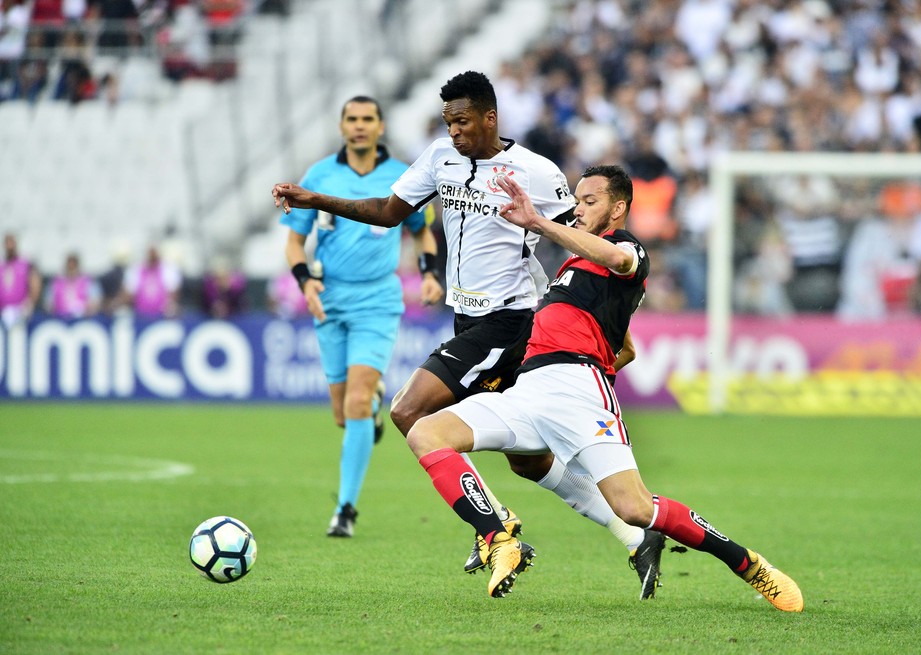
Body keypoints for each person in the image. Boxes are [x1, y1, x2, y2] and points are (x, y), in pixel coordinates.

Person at [272, 71, 668, 599]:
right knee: (527, 460)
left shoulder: (535, 171)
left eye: (462, 121)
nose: (455, 132)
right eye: (448, 122)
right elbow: (389, 213)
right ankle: (634, 533)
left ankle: (496, 530)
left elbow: (583, 238)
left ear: (489, 118)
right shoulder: (440, 158)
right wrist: (315, 200)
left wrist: (610, 322)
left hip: (513, 320)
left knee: (409, 411)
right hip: (467, 319)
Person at [405, 165, 804, 611]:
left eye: (589, 201)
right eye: (576, 202)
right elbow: (626, 346)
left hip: (580, 390)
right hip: (528, 390)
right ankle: (498, 537)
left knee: (634, 507)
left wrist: (538, 221)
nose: (578, 209)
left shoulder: (625, 248)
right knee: (427, 433)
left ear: (618, 208)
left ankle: (748, 564)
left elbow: (617, 264)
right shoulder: (575, 265)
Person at [278, 95, 444, 538]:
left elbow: (422, 232)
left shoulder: (401, 177)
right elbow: (295, 242)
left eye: (367, 118)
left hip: (378, 301)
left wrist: (429, 274)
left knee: (353, 402)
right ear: (341, 126)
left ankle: (345, 510)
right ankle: (370, 406)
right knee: (344, 412)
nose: (359, 126)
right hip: (329, 300)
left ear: (381, 126)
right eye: (352, 119)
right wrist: (305, 280)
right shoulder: (319, 175)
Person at [122, 245, 182, 318]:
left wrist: (169, 306)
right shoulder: (136, 270)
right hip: (140, 315)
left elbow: (173, 294)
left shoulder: (168, 271)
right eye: (150, 256)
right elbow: (128, 294)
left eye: (155, 256)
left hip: (161, 316)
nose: (152, 258)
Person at [0, 232, 41, 327]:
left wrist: (29, 304)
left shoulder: (25, 263)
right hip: (3, 311)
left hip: (21, 311)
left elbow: (35, 284)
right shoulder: (2, 265)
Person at [44, 252, 102, 318]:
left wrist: (87, 308)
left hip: (83, 319)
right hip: (60, 319)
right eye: (69, 267)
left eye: (73, 267)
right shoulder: (56, 283)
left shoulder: (89, 282)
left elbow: (95, 304)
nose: (71, 270)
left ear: (78, 267)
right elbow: (48, 304)